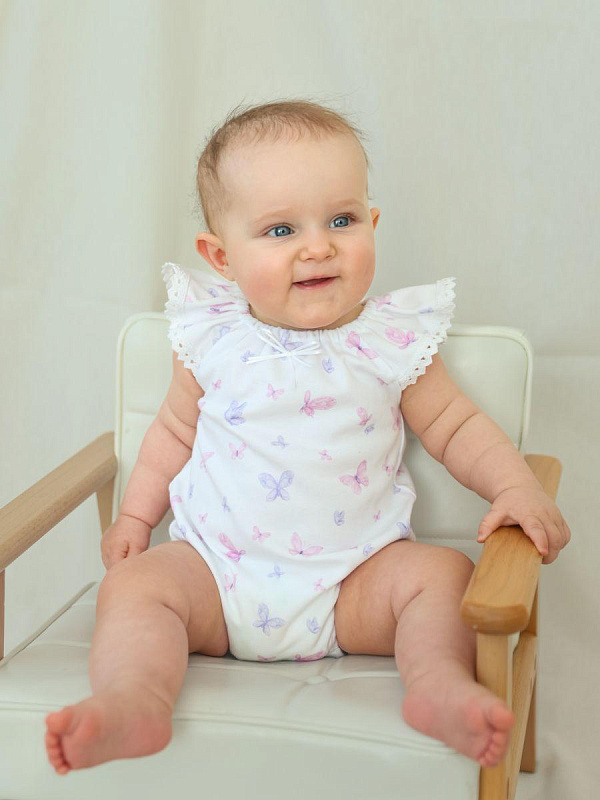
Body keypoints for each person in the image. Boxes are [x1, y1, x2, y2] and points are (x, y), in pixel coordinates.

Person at [44, 99, 571, 776]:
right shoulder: (211, 337)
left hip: (356, 582)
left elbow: (457, 426)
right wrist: (136, 519)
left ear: (372, 223)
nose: (318, 246)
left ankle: (438, 684)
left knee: (443, 578)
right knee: (132, 590)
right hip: (215, 573)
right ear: (221, 256)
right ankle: (134, 698)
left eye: (342, 220)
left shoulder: (391, 340)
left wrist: (515, 487)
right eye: (281, 229)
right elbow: (173, 431)